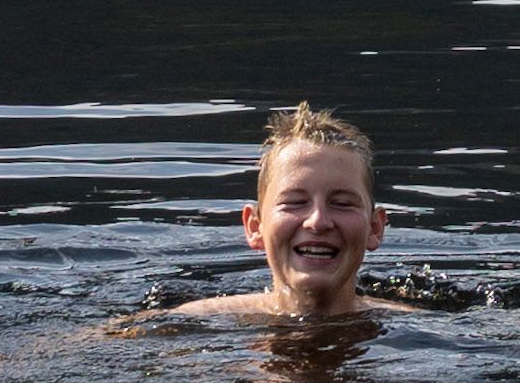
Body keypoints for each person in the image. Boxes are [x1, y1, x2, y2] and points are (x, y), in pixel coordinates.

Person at [156, 102, 394, 357]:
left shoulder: (421, 327)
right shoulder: (185, 324)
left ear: (375, 227)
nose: (318, 221)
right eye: (295, 203)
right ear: (254, 226)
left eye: (342, 204)